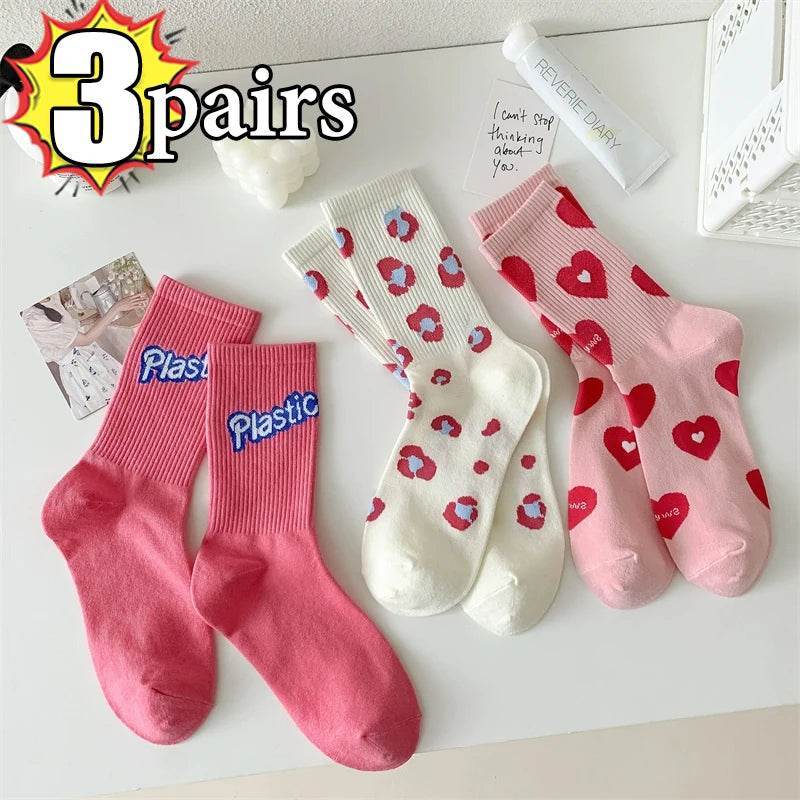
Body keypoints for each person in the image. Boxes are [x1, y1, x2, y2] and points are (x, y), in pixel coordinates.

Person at [22, 291, 148, 418]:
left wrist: (95, 318)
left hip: (89, 357)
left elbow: (69, 329)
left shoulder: (48, 298)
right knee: (119, 410)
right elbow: (85, 339)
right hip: (81, 372)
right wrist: (116, 308)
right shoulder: (34, 319)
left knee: (129, 397)